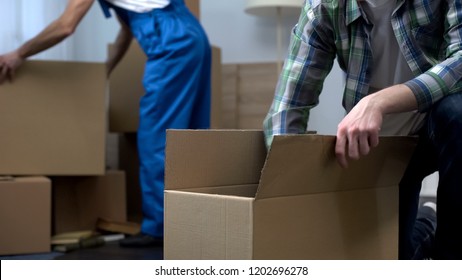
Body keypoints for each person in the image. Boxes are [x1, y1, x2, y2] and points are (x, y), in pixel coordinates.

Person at [0, 0, 211, 247]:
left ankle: (159, 229)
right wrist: (105, 70)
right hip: (192, 35)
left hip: (172, 43)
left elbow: (65, 26)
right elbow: (127, 29)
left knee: (156, 138)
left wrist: (19, 53)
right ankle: (199, 221)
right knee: (190, 136)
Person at [263, 0, 462, 260]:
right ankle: (426, 222)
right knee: (389, 258)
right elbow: (289, 107)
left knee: (458, 112)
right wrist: (282, 194)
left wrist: (378, 102)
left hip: (439, 125)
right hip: (380, 144)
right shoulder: (323, 7)